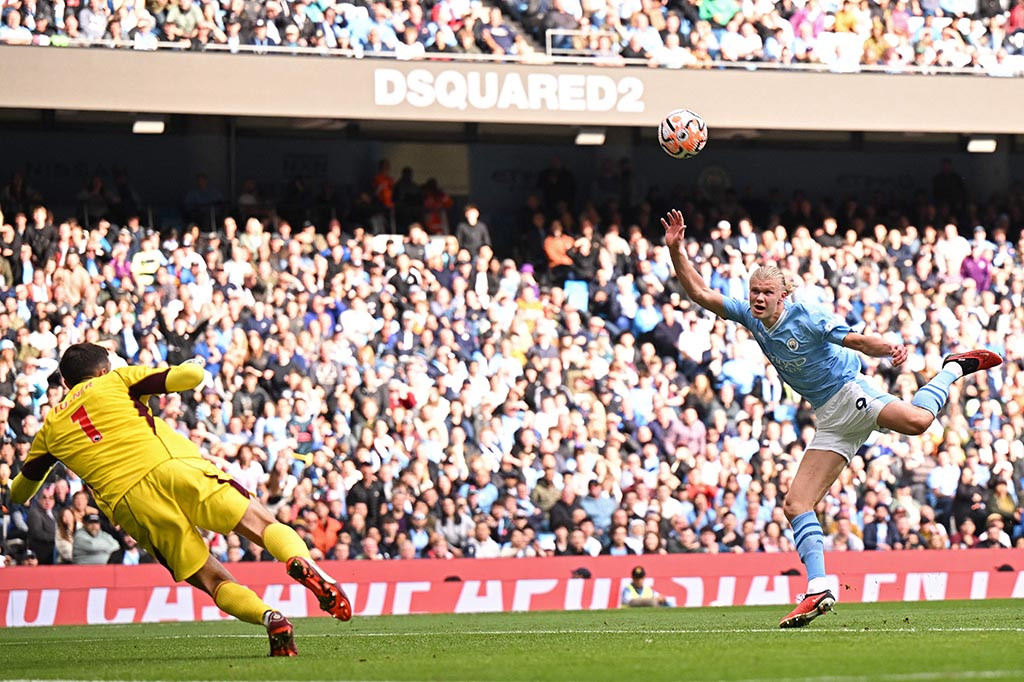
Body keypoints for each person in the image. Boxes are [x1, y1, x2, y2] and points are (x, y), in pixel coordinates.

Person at [661, 209, 1002, 628]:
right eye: (754, 292)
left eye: (767, 292)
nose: (758, 299)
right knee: (796, 503)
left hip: (849, 392)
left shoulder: (808, 314)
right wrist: (677, 250)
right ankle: (819, 585)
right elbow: (700, 293)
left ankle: (953, 367)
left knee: (918, 423)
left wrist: (888, 348)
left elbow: (854, 338)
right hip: (829, 416)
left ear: (783, 295)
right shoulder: (751, 316)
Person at [9, 343, 352, 657]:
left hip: (131, 503)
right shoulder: (116, 380)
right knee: (263, 525)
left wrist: (7, 481)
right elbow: (191, 376)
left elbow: (20, 493)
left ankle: (272, 618)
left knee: (210, 578)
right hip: (172, 465)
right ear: (102, 369)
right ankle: (304, 563)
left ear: (66, 383)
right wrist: (196, 361)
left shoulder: (50, 428)